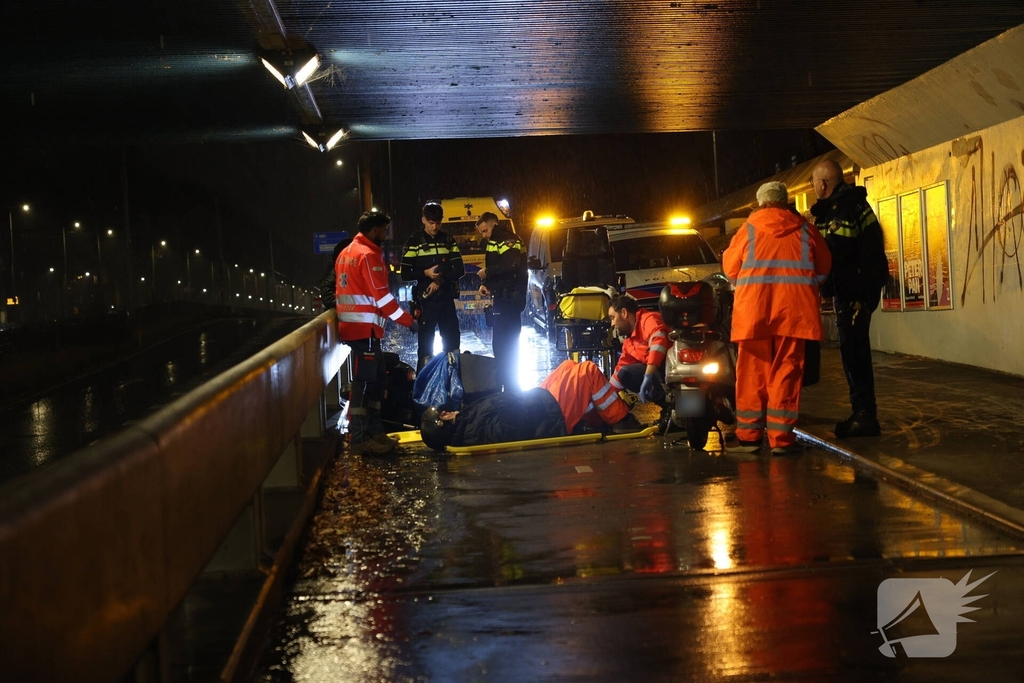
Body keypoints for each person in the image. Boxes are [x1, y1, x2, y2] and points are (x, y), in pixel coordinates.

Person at [722, 182, 832, 454]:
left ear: (760, 203)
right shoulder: (805, 229)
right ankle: (781, 441)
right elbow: (823, 269)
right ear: (786, 202)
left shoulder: (747, 230)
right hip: (794, 314)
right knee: (786, 373)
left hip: (754, 314)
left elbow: (731, 270)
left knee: (750, 374)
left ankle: (748, 438)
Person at [811, 159, 888, 438]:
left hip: (852, 296)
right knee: (852, 353)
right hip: (852, 294)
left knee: (855, 354)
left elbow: (837, 253)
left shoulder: (842, 211)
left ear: (823, 183)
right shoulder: (851, 206)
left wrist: (860, 297)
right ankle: (861, 412)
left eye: (814, 183)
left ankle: (865, 415)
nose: (813, 188)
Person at [419, 359, 643, 450]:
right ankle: (621, 419)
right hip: (548, 414)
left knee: (568, 365)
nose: (448, 411)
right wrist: (515, 405)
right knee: (587, 372)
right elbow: (507, 429)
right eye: (445, 414)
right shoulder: (471, 432)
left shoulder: (466, 422)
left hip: (539, 402)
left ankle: (594, 419)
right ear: (445, 421)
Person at [336, 211, 418, 455]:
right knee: (366, 384)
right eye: (383, 230)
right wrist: (408, 322)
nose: (385, 234)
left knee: (376, 380)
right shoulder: (369, 255)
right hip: (366, 328)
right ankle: (361, 438)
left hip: (354, 326)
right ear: (374, 230)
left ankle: (375, 432)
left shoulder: (346, 252)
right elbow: (381, 296)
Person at [401, 202, 466, 371]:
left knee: (452, 345)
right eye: (431, 222)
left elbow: (459, 269)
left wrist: (440, 280)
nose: (435, 226)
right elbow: (405, 273)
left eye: (438, 222)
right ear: (423, 220)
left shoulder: (447, 239)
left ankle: (452, 382)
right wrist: (426, 274)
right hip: (426, 302)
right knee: (425, 348)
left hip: (445, 299)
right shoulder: (414, 241)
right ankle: (423, 387)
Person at [476, 211, 527, 392]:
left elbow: (511, 265)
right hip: (502, 297)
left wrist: (487, 272)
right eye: (481, 232)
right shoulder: (493, 242)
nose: (484, 235)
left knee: (508, 345)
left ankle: (511, 387)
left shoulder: (509, 240)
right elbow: (500, 268)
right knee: (500, 344)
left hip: (510, 300)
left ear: (494, 224)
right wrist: (486, 284)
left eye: (485, 230)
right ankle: (504, 385)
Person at [607, 293, 671, 403]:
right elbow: (619, 373)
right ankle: (665, 405)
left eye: (613, 318)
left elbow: (659, 341)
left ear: (624, 313)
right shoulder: (629, 342)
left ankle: (664, 397)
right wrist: (605, 396)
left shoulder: (648, 319)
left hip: (669, 368)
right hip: (659, 372)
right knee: (624, 373)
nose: (612, 324)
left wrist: (648, 375)